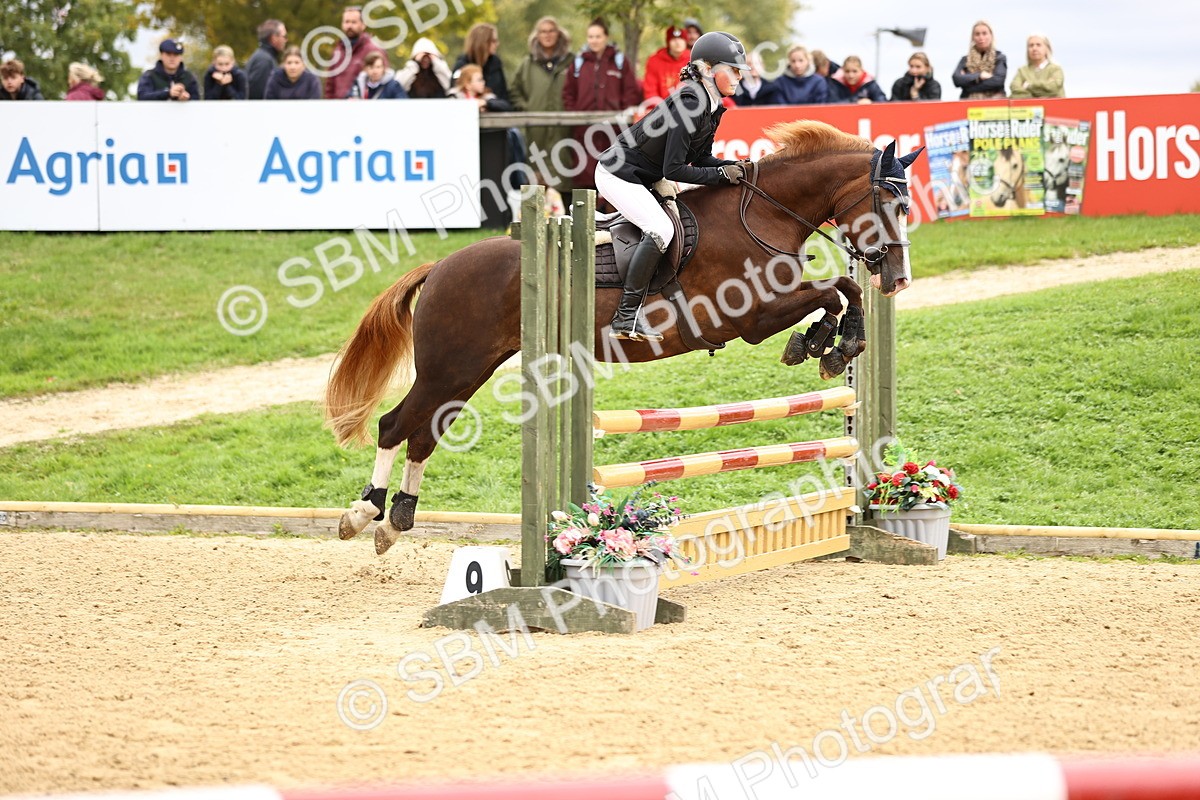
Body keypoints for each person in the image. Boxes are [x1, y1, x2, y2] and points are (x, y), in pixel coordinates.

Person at [595, 31, 748, 341]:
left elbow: (701, 157)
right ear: (708, 69)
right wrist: (721, 178)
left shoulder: (709, 103)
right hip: (617, 174)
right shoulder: (690, 102)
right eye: (732, 69)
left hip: (641, 175)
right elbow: (674, 169)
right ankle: (625, 317)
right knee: (661, 229)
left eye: (739, 71)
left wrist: (733, 168)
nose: (738, 77)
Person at [562, 18, 643, 191]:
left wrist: (623, 116)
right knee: (586, 179)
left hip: (613, 132)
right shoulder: (579, 63)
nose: (594, 40)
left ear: (606, 37)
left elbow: (630, 91)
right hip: (585, 133)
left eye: (598, 36)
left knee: (613, 179)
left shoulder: (619, 62)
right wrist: (574, 114)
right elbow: (568, 92)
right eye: (590, 36)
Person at [510, 18, 572, 188]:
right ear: (536, 36)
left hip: (565, 132)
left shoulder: (571, 61)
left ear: (559, 34)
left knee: (566, 180)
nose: (547, 35)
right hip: (536, 133)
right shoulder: (527, 63)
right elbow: (514, 91)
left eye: (551, 30)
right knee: (536, 183)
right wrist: (527, 108)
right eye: (543, 31)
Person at [324, 6, 385, 100]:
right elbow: (330, 85)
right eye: (346, 22)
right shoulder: (337, 50)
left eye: (354, 22)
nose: (349, 26)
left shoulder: (374, 50)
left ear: (363, 25)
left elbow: (383, 83)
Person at [453, 23, 509, 102]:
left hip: (495, 110)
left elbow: (504, 97)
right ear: (483, 42)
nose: (497, 44)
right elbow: (455, 94)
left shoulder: (496, 64)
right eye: (493, 41)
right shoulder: (462, 65)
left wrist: (488, 103)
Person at [953, 20, 1007, 100]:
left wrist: (968, 86)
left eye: (984, 33)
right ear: (973, 37)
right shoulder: (965, 60)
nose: (981, 37)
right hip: (969, 104)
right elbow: (956, 79)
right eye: (977, 34)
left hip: (994, 104)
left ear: (991, 35)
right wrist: (979, 76)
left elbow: (997, 81)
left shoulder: (999, 58)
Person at [759, 45, 827, 105]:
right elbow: (779, 107)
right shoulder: (780, 82)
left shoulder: (818, 82)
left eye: (801, 60)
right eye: (793, 61)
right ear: (789, 62)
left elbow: (819, 106)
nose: (797, 65)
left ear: (808, 61)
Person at [642, 26, 690, 104]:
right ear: (668, 42)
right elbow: (650, 91)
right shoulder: (654, 61)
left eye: (681, 39)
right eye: (674, 39)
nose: (677, 42)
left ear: (685, 41)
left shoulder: (692, 59)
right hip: (661, 108)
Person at [246, 19, 287, 100]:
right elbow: (259, 96)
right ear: (274, 38)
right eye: (284, 36)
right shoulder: (264, 61)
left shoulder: (264, 57)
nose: (286, 40)